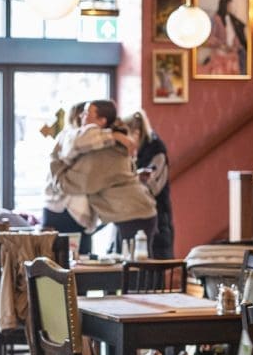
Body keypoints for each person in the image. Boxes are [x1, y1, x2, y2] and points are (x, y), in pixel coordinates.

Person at [50, 99, 157, 251]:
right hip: (133, 212)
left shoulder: (102, 153)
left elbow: (73, 184)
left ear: (101, 121)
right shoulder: (111, 144)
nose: (82, 116)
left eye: (87, 113)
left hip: (135, 215)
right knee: (128, 268)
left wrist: (56, 163)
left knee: (134, 270)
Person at [126, 109, 175, 259]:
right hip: (132, 216)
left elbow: (152, 188)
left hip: (157, 218)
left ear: (136, 133)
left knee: (155, 269)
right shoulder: (129, 153)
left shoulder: (156, 152)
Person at [199, 0, 247, 76]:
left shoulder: (231, 19)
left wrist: (235, 47)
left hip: (232, 55)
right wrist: (222, 45)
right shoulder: (216, 19)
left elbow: (235, 36)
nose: (231, 8)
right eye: (229, 5)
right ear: (224, 5)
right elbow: (211, 37)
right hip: (219, 54)